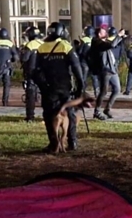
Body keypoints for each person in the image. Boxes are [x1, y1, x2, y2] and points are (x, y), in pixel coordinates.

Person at [28, 22, 84, 153]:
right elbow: (76, 68)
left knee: (49, 115)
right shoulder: (65, 46)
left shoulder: (42, 48)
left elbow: (35, 70)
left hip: (49, 88)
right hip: (65, 87)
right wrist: (80, 86)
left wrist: (42, 86)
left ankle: (53, 144)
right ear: (61, 31)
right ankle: (72, 142)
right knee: (68, 114)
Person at [91, 26, 121, 120]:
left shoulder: (103, 41)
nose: (106, 33)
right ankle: (97, 111)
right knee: (104, 91)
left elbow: (112, 44)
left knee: (117, 89)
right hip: (105, 70)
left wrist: (119, 37)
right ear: (99, 34)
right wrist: (118, 35)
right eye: (104, 32)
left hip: (112, 69)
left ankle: (107, 109)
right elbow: (111, 45)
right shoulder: (97, 42)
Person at [20, 26, 43, 122]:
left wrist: (22, 50)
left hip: (31, 73)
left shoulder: (30, 45)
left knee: (30, 96)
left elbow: (24, 58)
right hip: (43, 73)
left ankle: (30, 117)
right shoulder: (43, 44)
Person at [0, 28, 16, 107]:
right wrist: (11, 60)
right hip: (7, 67)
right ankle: (5, 102)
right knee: (6, 84)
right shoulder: (10, 43)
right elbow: (16, 57)